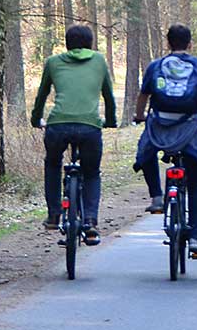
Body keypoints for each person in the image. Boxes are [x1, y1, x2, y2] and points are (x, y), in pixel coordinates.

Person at [132, 24, 197, 259]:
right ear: (190, 44)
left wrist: (140, 116)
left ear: (168, 43)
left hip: (160, 127)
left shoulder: (156, 66)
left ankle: (156, 196)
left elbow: (144, 96)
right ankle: (195, 238)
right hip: (191, 128)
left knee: (145, 153)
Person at [30, 25, 118, 246]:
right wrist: (110, 121)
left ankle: (53, 214)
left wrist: (36, 119)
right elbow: (108, 95)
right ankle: (90, 221)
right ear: (90, 43)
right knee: (91, 173)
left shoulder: (53, 62)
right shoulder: (98, 61)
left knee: (52, 164)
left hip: (57, 125)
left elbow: (42, 95)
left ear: (67, 44)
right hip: (89, 128)